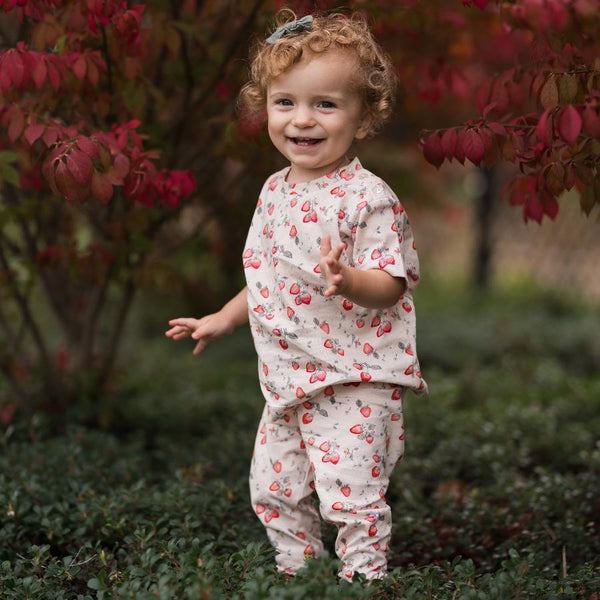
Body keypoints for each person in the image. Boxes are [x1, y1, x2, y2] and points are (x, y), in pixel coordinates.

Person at [165, 9, 427, 581]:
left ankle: (364, 578)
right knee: (274, 486)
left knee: (351, 493)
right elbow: (269, 276)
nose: (301, 120)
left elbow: (390, 282)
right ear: (266, 107)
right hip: (287, 381)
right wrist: (224, 317)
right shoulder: (274, 190)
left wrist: (348, 280)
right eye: (285, 103)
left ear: (363, 118)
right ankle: (298, 573)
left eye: (325, 105)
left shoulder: (366, 198)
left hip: (354, 378)